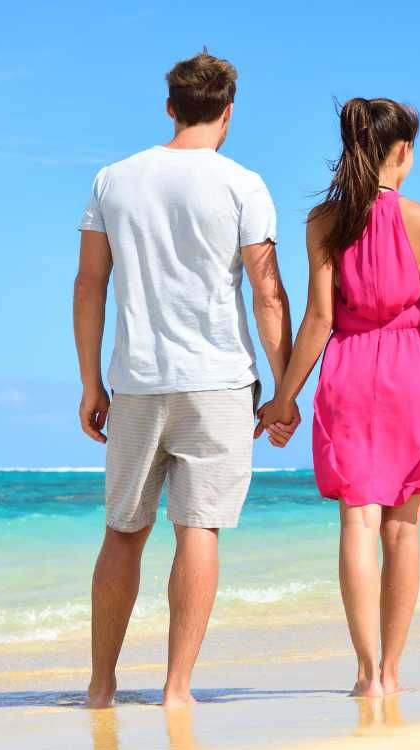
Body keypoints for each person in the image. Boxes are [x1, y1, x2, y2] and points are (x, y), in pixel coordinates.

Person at [72, 50, 295, 709]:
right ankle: (176, 690)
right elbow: (269, 295)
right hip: (219, 382)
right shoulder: (243, 184)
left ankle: (101, 686)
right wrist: (283, 394)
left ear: (170, 106)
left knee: (123, 530)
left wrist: (91, 383)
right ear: (229, 112)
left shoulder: (113, 180)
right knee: (198, 528)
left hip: (136, 380)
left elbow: (90, 285)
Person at [257, 98, 420, 697]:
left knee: (357, 521)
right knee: (403, 530)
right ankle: (393, 671)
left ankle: (363, 674)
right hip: (412, 374)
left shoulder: (324, 222)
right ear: (402, 152)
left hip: (349, 372)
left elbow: (318, 321)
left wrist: (283, 398)